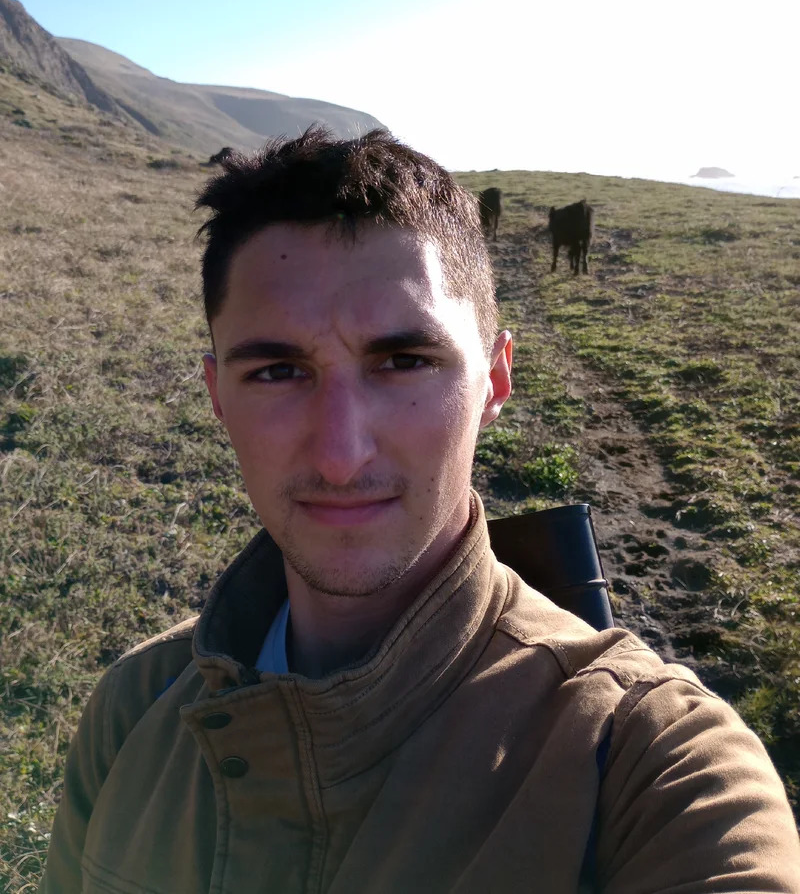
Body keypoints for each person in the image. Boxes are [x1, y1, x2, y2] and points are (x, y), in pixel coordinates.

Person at [41, 128, 800, 893]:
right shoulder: (133, 709)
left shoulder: (653, 765)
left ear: (495, 382)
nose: (341, 454)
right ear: (216, 396)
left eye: (404, 361)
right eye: (276, 371)